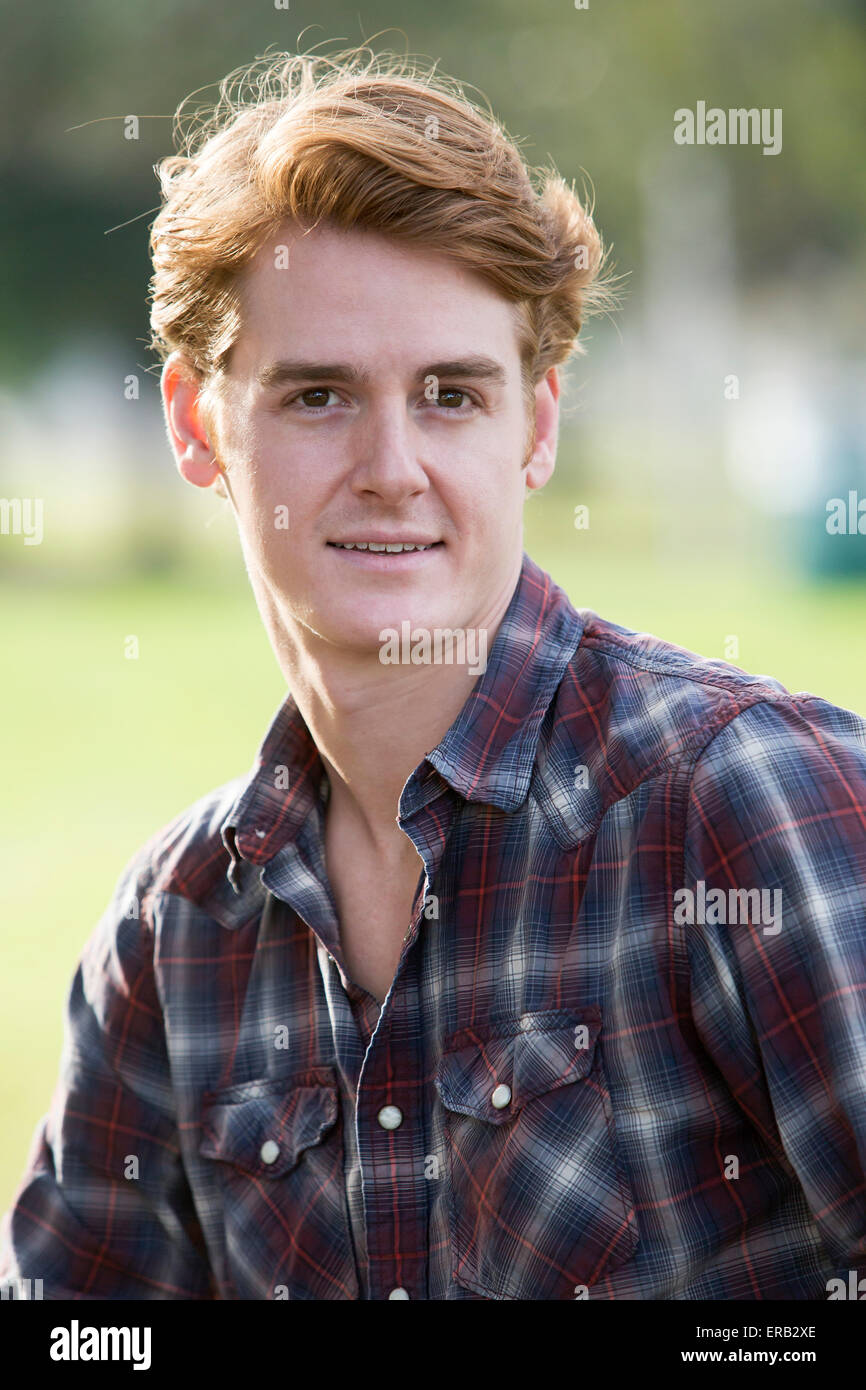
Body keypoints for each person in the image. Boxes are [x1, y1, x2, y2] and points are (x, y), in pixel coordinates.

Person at [2, 45, 864, 1302]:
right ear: (197, 424)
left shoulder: (737, 805)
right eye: (317, 396)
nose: (391, 466)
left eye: (451, 395)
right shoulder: (173, 937)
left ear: (537, 423)